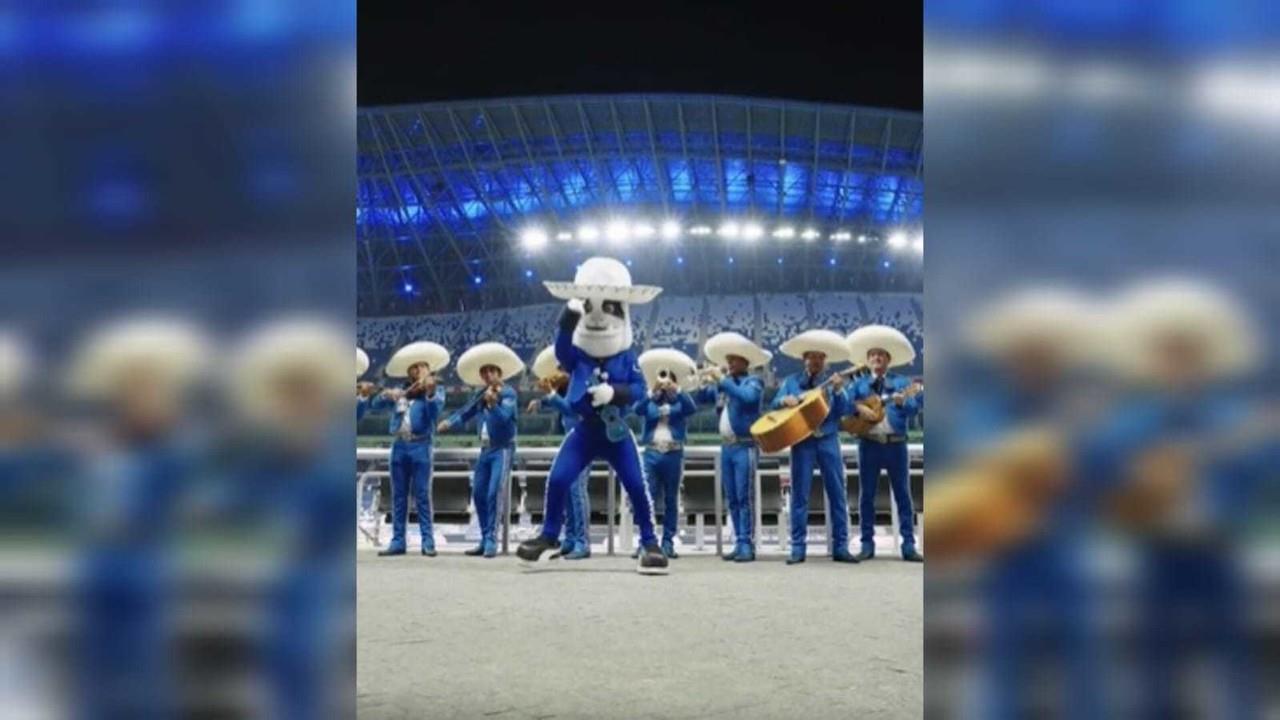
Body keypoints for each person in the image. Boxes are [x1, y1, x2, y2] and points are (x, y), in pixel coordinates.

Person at [515, 257, 669, 575]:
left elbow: (640, 390)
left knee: (637, 487)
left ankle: (650, 542)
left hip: (615, 431)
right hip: (585, 431)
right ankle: (549, 535)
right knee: (558, 479)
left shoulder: (627, 357)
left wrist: (615, 393)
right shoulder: (579, 356)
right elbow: (561, 351)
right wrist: (569, 316)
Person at [773, 329, 858, 564]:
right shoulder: (791, 382)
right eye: (811, 357)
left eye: (820, 357)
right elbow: (773, 404)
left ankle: (841, 546)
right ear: (804, 359)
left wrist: (840, 391)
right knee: (799, 495)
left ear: (825, 361)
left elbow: (846, 410)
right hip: (803, 442)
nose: (815, 361)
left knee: (837, 494)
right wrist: (783, 400)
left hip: (828, 439)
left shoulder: (833, 383)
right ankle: (798, 547)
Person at [846, 325, 924, 562]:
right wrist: (859, 408)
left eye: (881, 355)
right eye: (872, 355)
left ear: (888, 360)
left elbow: (915, 407)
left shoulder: (902, 383)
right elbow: (847, 405)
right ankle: (867, 544)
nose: (876, 358)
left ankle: (908, 545)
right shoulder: (858, 384)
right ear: (867, 361)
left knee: (903, 494)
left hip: (896, 444)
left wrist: (901, 402)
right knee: (866, 495)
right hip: (869, 443)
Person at [438, 342, 523, 558]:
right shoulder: (481, 394)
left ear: (498, 373)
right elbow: (465, 412)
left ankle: (491, 539)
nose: (487, 376)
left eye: (491, 372)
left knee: (494, 492)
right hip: (485, 450)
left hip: (502, 448)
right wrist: (450, 422)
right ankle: (485, 537)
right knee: (478, 493)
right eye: (484, 373)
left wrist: (493, 405)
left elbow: (505, 421)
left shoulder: (508, 393)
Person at [691, 332, 770, 562]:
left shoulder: (753, 381)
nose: (729, 364)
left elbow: (747, 398)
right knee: (733, 498)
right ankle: (739, 540)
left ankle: (747, 543)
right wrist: (697, 380)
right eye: (728, 360)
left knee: (745, 496)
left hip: (745, 446)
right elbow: (698, 400)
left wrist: (722, 380)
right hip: (727, 448)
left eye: (734, 360)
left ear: (745, 362)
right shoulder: (723, 385)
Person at [370, 341, 449, 556]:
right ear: (409, 372)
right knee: (398, 496)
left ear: (428, 369)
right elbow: (375, 405)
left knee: (422, 494)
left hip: (421, 445)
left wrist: (430, 392)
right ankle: (398, 541)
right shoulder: (402, 392)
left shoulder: (435, 390)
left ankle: (428, 541)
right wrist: (386, 395)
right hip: (399, 446)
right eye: (413, 368)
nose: (417, 371)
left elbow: (435, 413)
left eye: (421, 367)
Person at [526, 345, 591, 559]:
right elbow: (558, 401)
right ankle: (571, 539)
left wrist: (552, 395)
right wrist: (541, 400)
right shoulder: (569, 387)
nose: (558, 372)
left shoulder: (584, 384)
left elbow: (571, 408)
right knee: (570, 492)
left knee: (577, 490)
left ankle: (582, 541)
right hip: (572, 442)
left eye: (562, 368)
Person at [633, 348, 699, 558]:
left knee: (671, 499)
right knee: (648, 499)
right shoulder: (651, 399)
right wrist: (652, 393)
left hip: (673, 454)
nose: (664, 382)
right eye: (662, 378)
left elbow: (691, 408)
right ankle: (646, 541)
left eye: (668, 379)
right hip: (651, 453)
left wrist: (677, 390)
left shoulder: (680, 400)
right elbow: (638, 409)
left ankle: (668, 542)